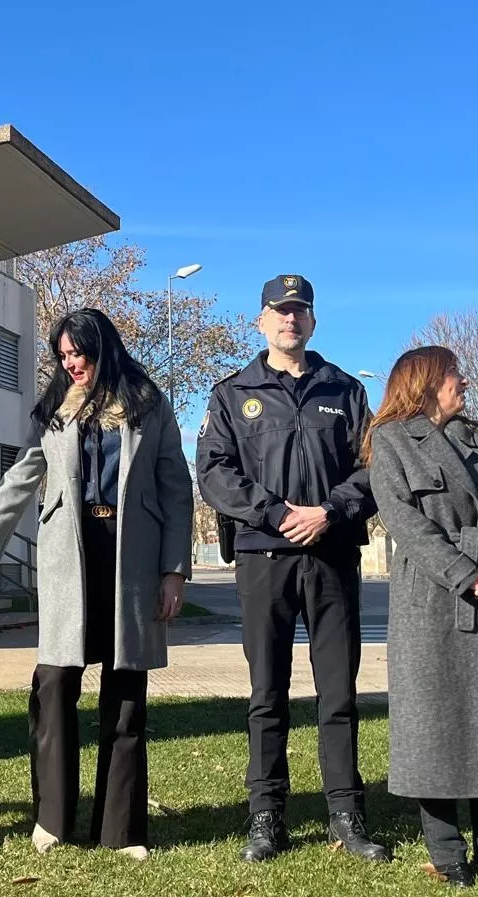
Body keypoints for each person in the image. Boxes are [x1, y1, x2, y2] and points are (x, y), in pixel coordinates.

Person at [0, 307, 192, 861]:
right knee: (54, 684)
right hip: (66, 562)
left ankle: (121, 828)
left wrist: (174, 571)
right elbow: (21, 477)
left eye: (79, 352)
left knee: (126, 692)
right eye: (62, 355)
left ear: (105, 348)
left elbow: (175, 486)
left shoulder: (149, 405)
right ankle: (52, 820)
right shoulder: (54, 409)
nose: (71, 363)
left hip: (131, 561)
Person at [194, 274, 388, 863]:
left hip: (331, 554)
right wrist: (279, 514)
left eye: (300, 311)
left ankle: (347, 816)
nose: (290, 320)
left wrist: (329, 511)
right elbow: (215, 472)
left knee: (338, 692)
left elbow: (375, 468)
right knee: (266, 693)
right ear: (261, 321)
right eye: (280, 312)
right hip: (264, 557)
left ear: (313, 321)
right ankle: (266, 816)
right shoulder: (233, 393)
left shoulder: (346, 391)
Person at [363, 346, 478, 886]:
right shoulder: (392, 441)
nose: (462, 380)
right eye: (453, 373)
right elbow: (405, 523)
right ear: (425, 381)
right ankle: (446, 853)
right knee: (434, 729)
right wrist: (466, 575)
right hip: (431, 601)